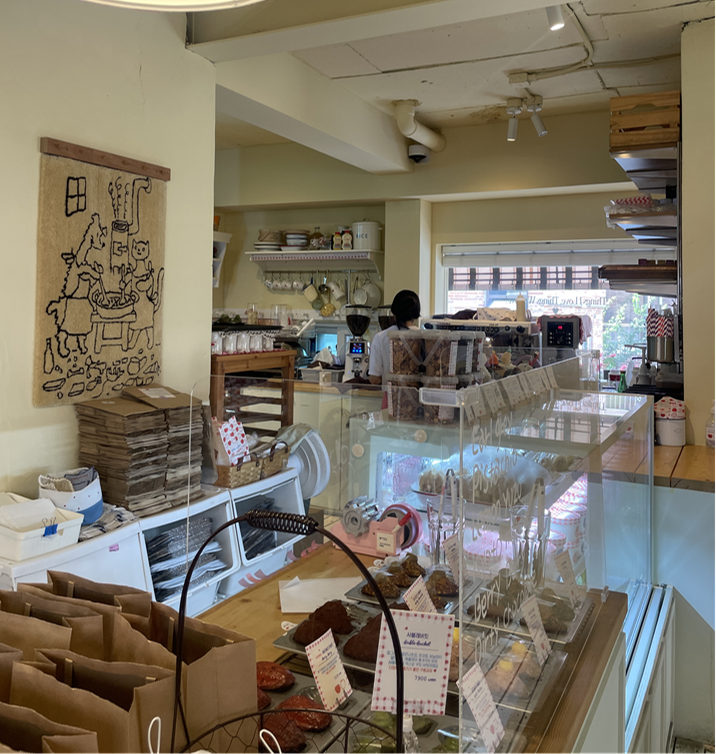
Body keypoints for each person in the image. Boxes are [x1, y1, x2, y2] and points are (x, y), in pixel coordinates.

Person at [368, 289, 421, 386]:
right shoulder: (424, 337)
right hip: (418, 394)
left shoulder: (380, 338)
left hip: (391, 394)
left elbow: (374, 379)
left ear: (393, 313)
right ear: (416, 314)